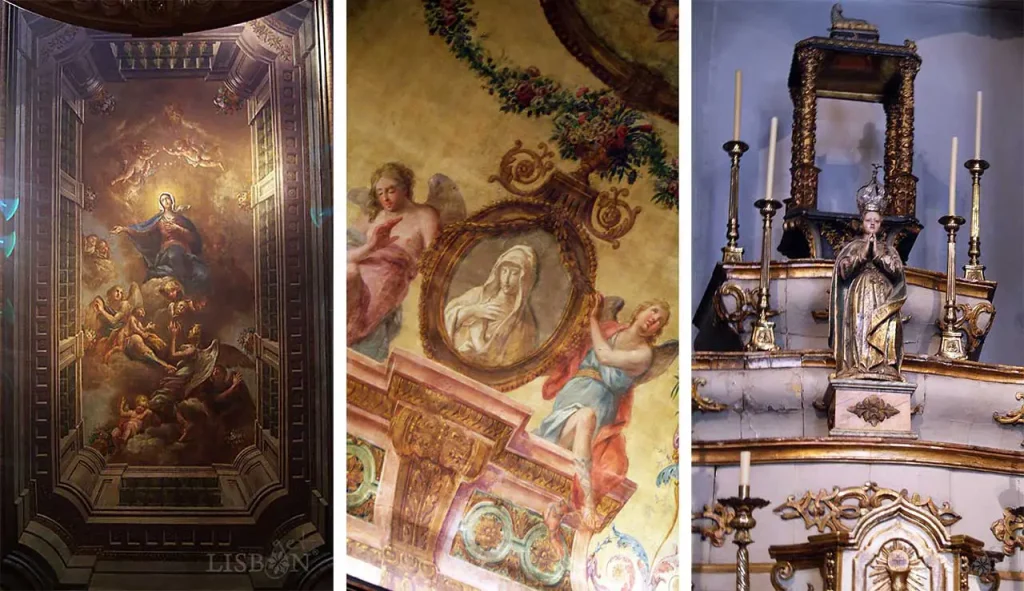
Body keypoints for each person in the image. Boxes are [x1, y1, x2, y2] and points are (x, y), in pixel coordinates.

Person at [535, 294, 672, 533]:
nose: (653, 319)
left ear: (657, 331)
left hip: (599, 402)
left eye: (660, 320)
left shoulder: (644, 354)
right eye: (652, 311)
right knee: (560, 440)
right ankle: (559, 501)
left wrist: (593, 319)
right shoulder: (610, 330)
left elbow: (605, 356)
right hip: (573, 392)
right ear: (639, 310)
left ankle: (585, 500)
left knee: (586, 420)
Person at [347, 163, 441, 356]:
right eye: (380, 193)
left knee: (352, 326)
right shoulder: (374, 215)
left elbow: (434, 259)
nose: (385, 198)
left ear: (405, 189)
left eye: (391, 191)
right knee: (349, 273)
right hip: (361, 268)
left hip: (388, 279)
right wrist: (372, 246)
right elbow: (345, 256)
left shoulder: (424, 215)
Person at [829, 168, 906, 381]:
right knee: (860, 325)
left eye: (877, 221)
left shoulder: (889, 249)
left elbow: (897, 271)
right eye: (868, 220)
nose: (872, 223)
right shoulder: (853, 247)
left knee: (886, 324)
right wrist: (863, 255)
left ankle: (883, 365)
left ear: (881, 225)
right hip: (860, 292)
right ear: (862, 221)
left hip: (883, 294)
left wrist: (878, 256)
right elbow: (844, 271)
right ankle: (859, 363)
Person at [444, 245, 540, 365]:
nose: (506, 279)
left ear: (524, 279)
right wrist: (472, 311)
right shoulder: (478, 295)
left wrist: (479, 343)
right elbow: (445, 317)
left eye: (514, 274)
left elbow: (511, 364)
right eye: (504, 271)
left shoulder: (524, 323)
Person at [112, 192, 209, 295]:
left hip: (186, 252)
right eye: (163, 200)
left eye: (167, 199)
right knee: (174, 254)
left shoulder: (181, 219)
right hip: (168, 251)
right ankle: (184, 289)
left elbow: (194, 238)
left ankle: (189, 291)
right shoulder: (159, 220)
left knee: (202, 273)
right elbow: (143, 231)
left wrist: (178, 228)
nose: (166, 201)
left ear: (172, 201)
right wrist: (125, 229)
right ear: (161, 204)